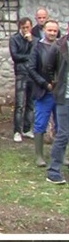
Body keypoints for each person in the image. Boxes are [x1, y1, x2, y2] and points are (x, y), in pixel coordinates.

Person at [29, 20, 62, 168]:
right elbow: (31, 69)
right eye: (50, 30)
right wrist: (45, 84)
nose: (52, 33)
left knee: (62, 125)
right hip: (44, 92)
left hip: (60, 93)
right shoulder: (37, 47)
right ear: (44, 31)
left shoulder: (62, 47)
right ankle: (39, 156)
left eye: (55, 31)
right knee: (41, 123)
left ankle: (61, 155)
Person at [46, 33, 69, 185]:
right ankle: (53, 171)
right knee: (64, 134)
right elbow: (48, 67)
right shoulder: (59, 46)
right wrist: (54, 84)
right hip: (64, 97)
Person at [10, 16, 36, 142]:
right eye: (23, 27)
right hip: (21, 73)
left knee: (30, 104)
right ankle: (17, 131)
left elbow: (37, 53)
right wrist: (28, 56)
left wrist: (31, 42)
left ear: (31, 27)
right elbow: (15, 56)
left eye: (28, 27)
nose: (26, 30)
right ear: (20, 27)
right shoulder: (14, 39)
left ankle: (26, 129)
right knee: (20, 104)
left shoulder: (34, 40)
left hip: (33, 74)